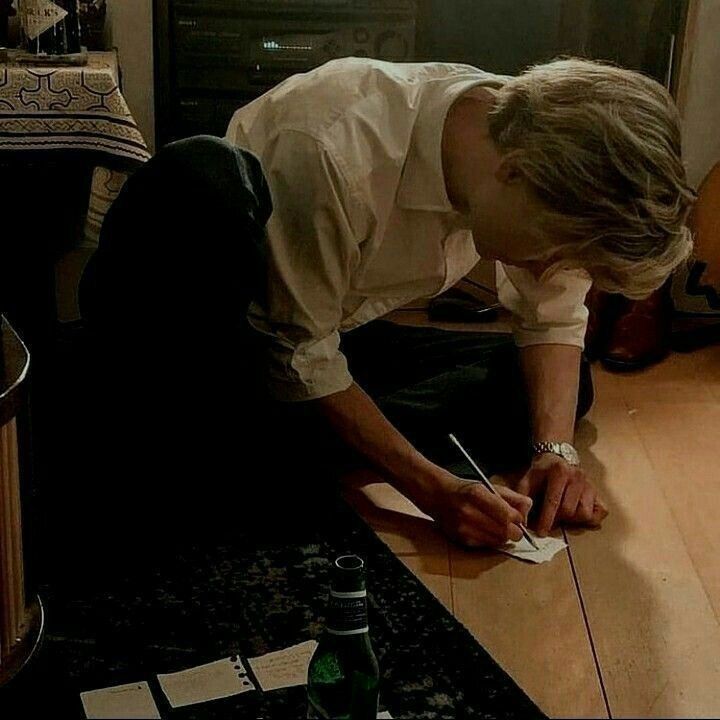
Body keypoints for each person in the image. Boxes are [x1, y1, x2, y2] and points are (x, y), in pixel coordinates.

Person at [78, 57, 694, 550]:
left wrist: (552, 451)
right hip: (206, 334)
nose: (556, 272)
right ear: (515, 175)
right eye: (559, 250)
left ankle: (268, 455)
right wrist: (432, 489)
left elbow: (554, 316)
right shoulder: (335, 143)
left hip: (322, 331)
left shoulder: (533, 140)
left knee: (555, 388)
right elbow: (297, 349)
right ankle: (219, 451)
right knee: (204, 179)